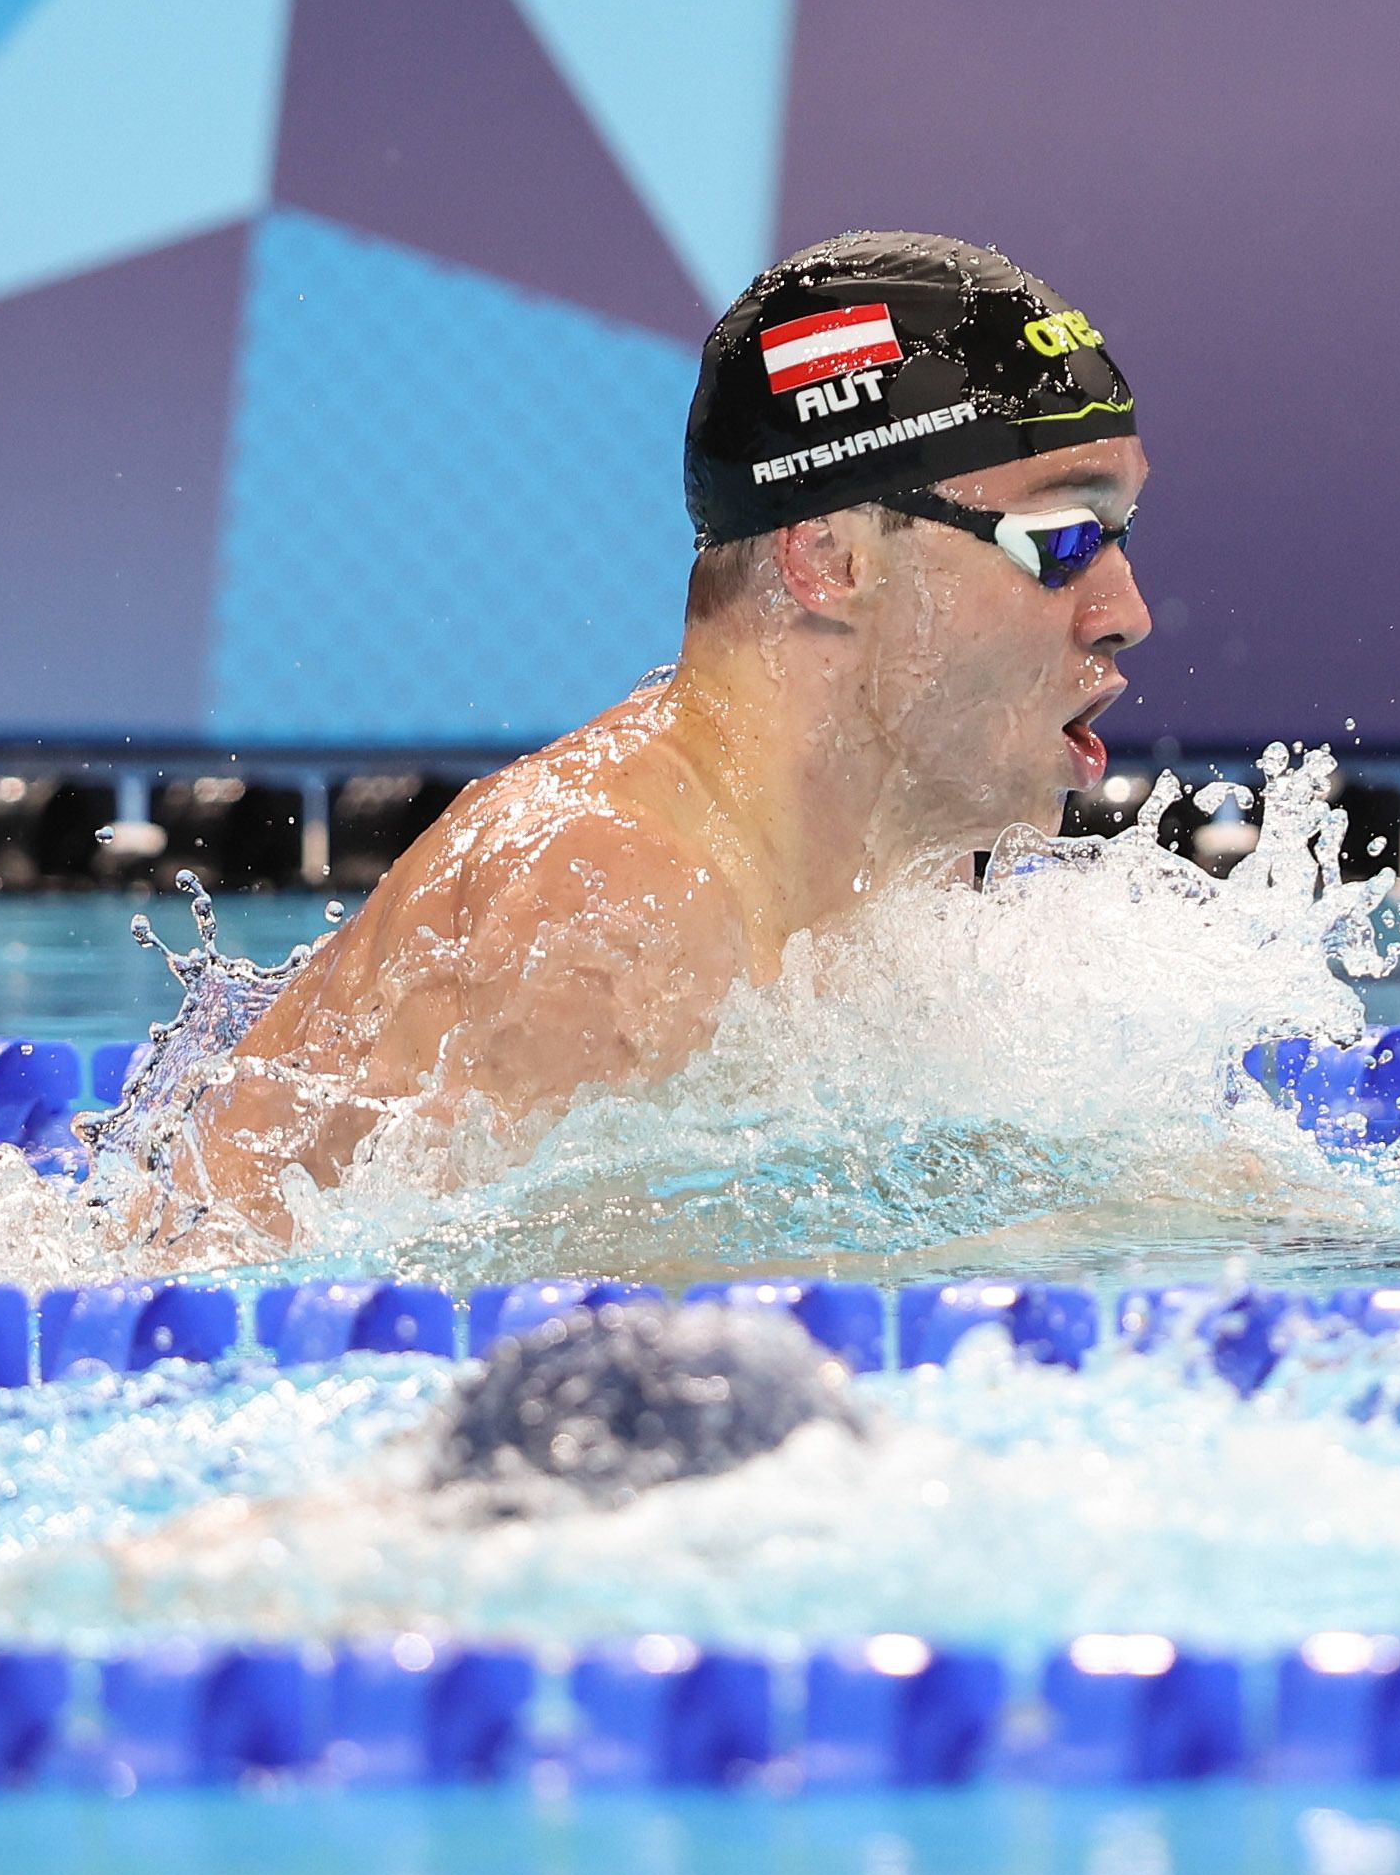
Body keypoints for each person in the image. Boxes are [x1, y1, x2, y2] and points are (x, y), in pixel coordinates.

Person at [151, 231, 1151, 1247]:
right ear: (832, 561)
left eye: (1123, 538)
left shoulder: (864, 881)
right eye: (1064, 542)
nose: (1126, 611)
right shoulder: (615, 901)